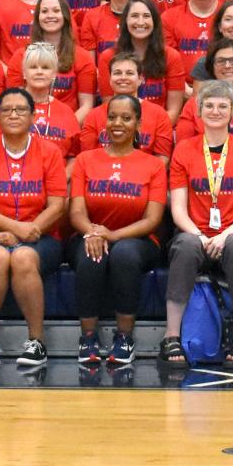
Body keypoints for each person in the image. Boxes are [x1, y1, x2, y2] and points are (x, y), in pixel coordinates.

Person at [0, 87, 69, 370]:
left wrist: (27, 231)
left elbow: (57, 205)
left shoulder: (50, 151)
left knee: (22, 257)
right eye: (6, 109)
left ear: (34, 116)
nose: (13, 114)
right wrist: (16, 229)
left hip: (42, 235)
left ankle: (36, 341)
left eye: (21, 109)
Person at [163, 80, 233, 369]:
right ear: (198, 111)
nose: (216, 110)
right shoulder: (184, 149)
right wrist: (199, 235)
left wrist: (223, 235)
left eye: (223, 106)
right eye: (209, 105)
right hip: (195, 233)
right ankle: (171, 335)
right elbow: (179, 209)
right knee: (184, 244)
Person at [68, 93, 167, 370]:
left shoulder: (154, 165)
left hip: (139, 238)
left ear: (138, 123)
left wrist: (113, 235)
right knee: (92, 255)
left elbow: (152, 218)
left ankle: (124, 338)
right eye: (112, 117)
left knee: (123, 254)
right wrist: (93, 233)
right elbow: (76, 212)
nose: (118, 123)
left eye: (126, 117)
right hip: (90, 234)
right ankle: (88, 338)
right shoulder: (86, 160)